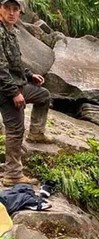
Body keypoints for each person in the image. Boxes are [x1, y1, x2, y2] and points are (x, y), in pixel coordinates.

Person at [0, 0, 53, 187]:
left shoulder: (11, 31)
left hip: (17, 84)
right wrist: (14, 93)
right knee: (15, 130)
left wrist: (30, 75)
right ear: (0, 9)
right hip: (5, 91)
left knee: (43, 95)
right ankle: (12, 174)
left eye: (15, 9)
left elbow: (15, 62)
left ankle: (36, 133)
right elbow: (1, 69)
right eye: (7, 8)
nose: (11, 12)